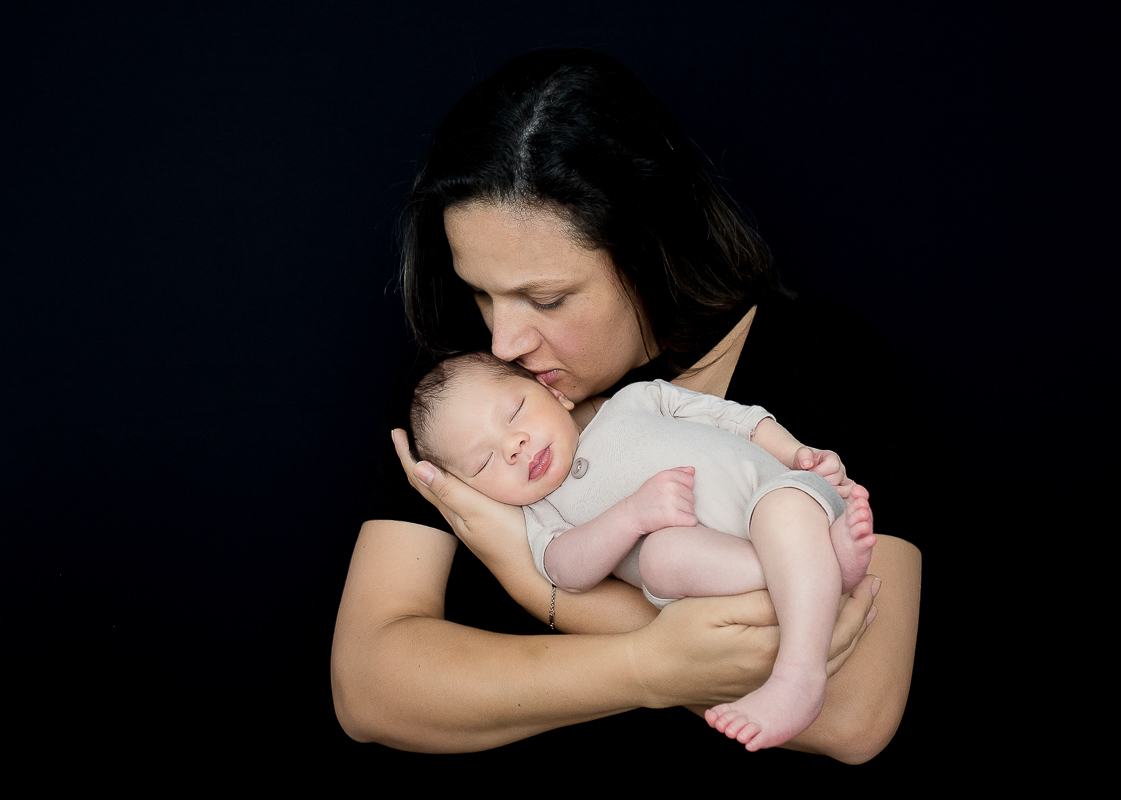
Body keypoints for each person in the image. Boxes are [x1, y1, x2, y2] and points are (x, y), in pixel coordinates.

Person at [331, 48, 922, 763]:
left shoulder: (825, 362)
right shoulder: (466, 396)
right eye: (481, 292)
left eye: (547, 298)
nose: (504, 340)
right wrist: (642, 667)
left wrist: (538, 581)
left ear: (651, 250)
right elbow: (369, 689)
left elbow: (852, 710)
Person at [406, 352, 878, 750]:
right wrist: (631, 516)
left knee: (781, 508)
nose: (514, 445)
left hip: (776, 496)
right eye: (485, 462)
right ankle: (820, 571)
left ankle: (799, 672)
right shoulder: (545, 514)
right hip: (722, 569)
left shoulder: (634, 401)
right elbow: (565, 571)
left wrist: (796, 454)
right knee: (660, 558)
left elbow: (734, 418)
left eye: (515, 413)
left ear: (554, 393)